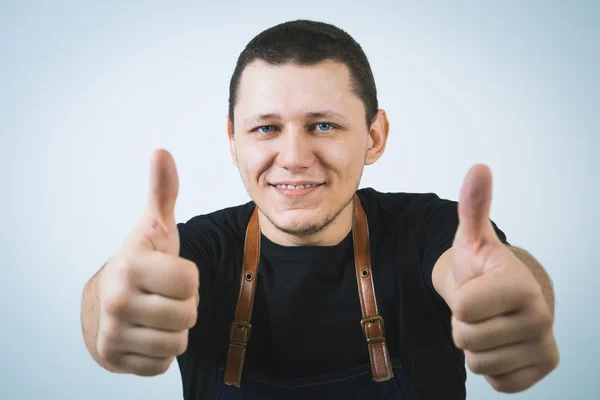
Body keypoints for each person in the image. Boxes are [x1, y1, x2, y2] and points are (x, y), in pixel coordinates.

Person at [80, 20, 559, 399]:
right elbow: (113, 301)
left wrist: (513, 300)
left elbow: (482, 273)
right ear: (233, 141)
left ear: (374, 136)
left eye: (324, 125)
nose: (293, 156)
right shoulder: (202, 249)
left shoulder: (429, 229)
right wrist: (112, 306)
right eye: (266, 128)